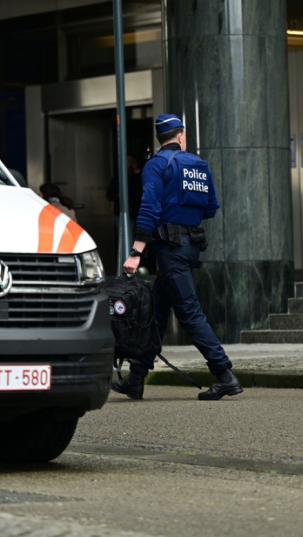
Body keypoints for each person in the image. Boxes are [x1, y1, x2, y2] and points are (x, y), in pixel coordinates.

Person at [114, 114, 242, 401]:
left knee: (189, 312)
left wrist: (136, 252)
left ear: (160, 137)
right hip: (189, 244)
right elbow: (211, 207)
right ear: (181, 135)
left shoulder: (157, 165)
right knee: (156, 314)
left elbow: (149, 207)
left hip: (169, 249)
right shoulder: (198, 164)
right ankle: (135, 379)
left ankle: (225, 375)